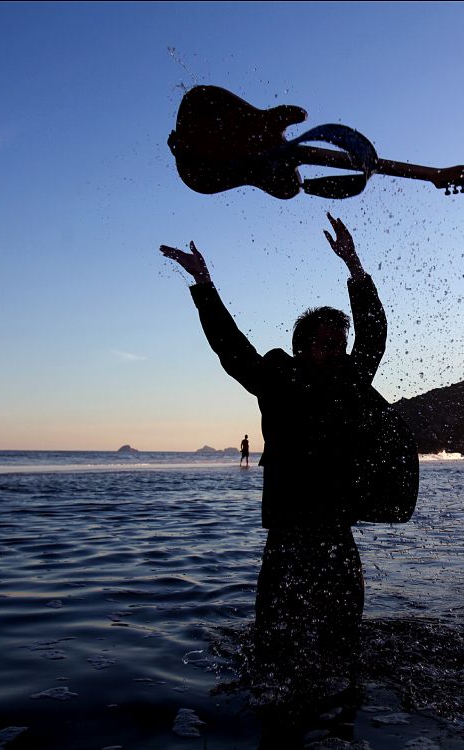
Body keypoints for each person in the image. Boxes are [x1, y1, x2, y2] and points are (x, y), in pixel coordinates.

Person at [160, 213, 386, 703]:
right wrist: (203, 284)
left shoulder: (349, 384)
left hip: (336, 537)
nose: (339, 351)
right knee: (272, 652)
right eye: (328, 344)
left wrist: (355, 267)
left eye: (340, 344)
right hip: (286, 538)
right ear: (302, 348)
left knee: (343, 648)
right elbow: (231, 348)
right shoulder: (278, 383)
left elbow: (373, 337)